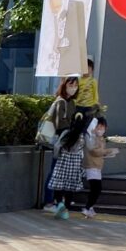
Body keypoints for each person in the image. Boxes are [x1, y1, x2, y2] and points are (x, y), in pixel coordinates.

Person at [43, 75, 80, 208]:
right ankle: (48, 200)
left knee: (60, 171)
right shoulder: (61, 102)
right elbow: (60, 123)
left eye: (75, 86)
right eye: (71, 85)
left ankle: (56, 200)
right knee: (55, 171)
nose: (73, 88)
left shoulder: (72, 102)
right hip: (60, 140)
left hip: (67, 141)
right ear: (64, 86)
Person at [48, 112, 87, 219]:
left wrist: (56, 156)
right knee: (70, 189)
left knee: (59, 186)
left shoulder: (66, 133)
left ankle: (59, 204)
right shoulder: (82, 137)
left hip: (62, 163)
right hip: (74, 165)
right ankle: (65, 209)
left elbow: (57, 147)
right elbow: (83, 153)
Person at [81, 116, 112, 218]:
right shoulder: (91, 137)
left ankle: (90, 208)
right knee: (96, 189)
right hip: (91, 165)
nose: (101, 130)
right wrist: (106, 152)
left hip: (97, 166)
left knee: (96, 189)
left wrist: (106, 153)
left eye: (103, 127)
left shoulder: (100, 138)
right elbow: (94, 151)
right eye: (99, 127)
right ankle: (87, 207)